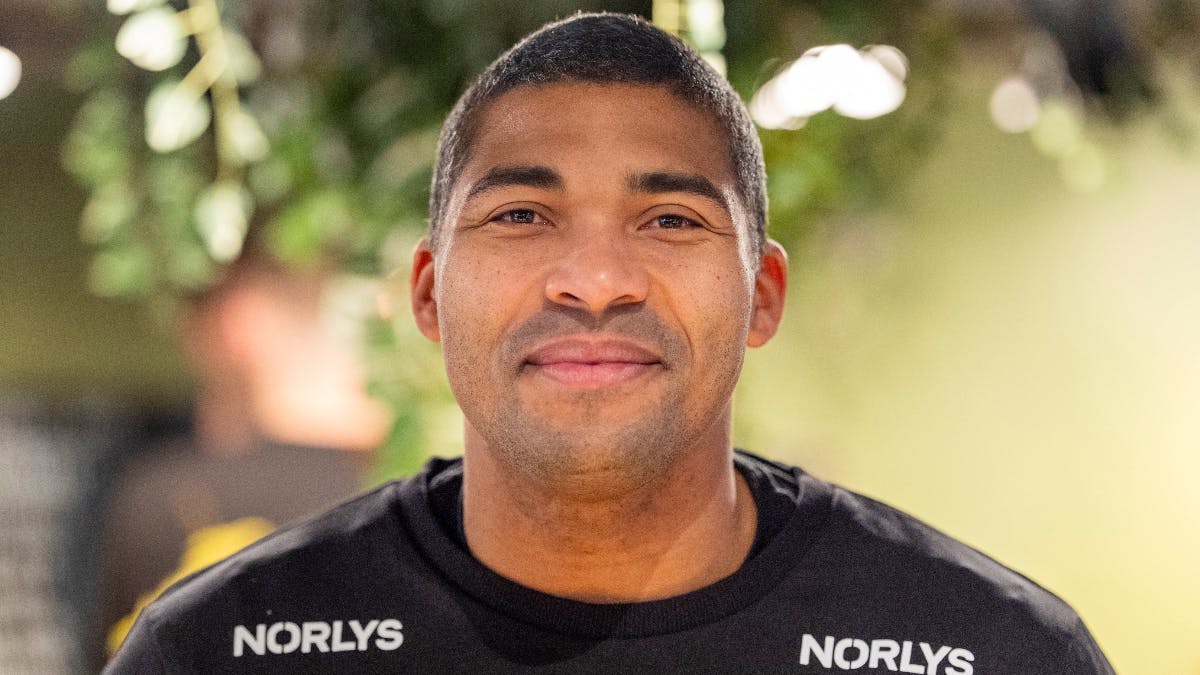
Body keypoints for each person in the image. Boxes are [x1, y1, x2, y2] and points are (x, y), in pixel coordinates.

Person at [105, 13, 1114, 673]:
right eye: (521, 216)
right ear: (428, 294)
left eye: (671, 220)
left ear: (762, 297)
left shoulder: (992, 652)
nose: (594, 280)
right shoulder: (216, 652)